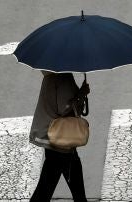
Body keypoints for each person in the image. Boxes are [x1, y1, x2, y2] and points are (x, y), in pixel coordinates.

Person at [29, 70, 90, 201]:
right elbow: (65, 108)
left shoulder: (51, 77)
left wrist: (80, 93)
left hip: (53, 137)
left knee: (73, 181)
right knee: (45, 190)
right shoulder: (63, 78)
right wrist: (82, 95)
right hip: (59, 141)